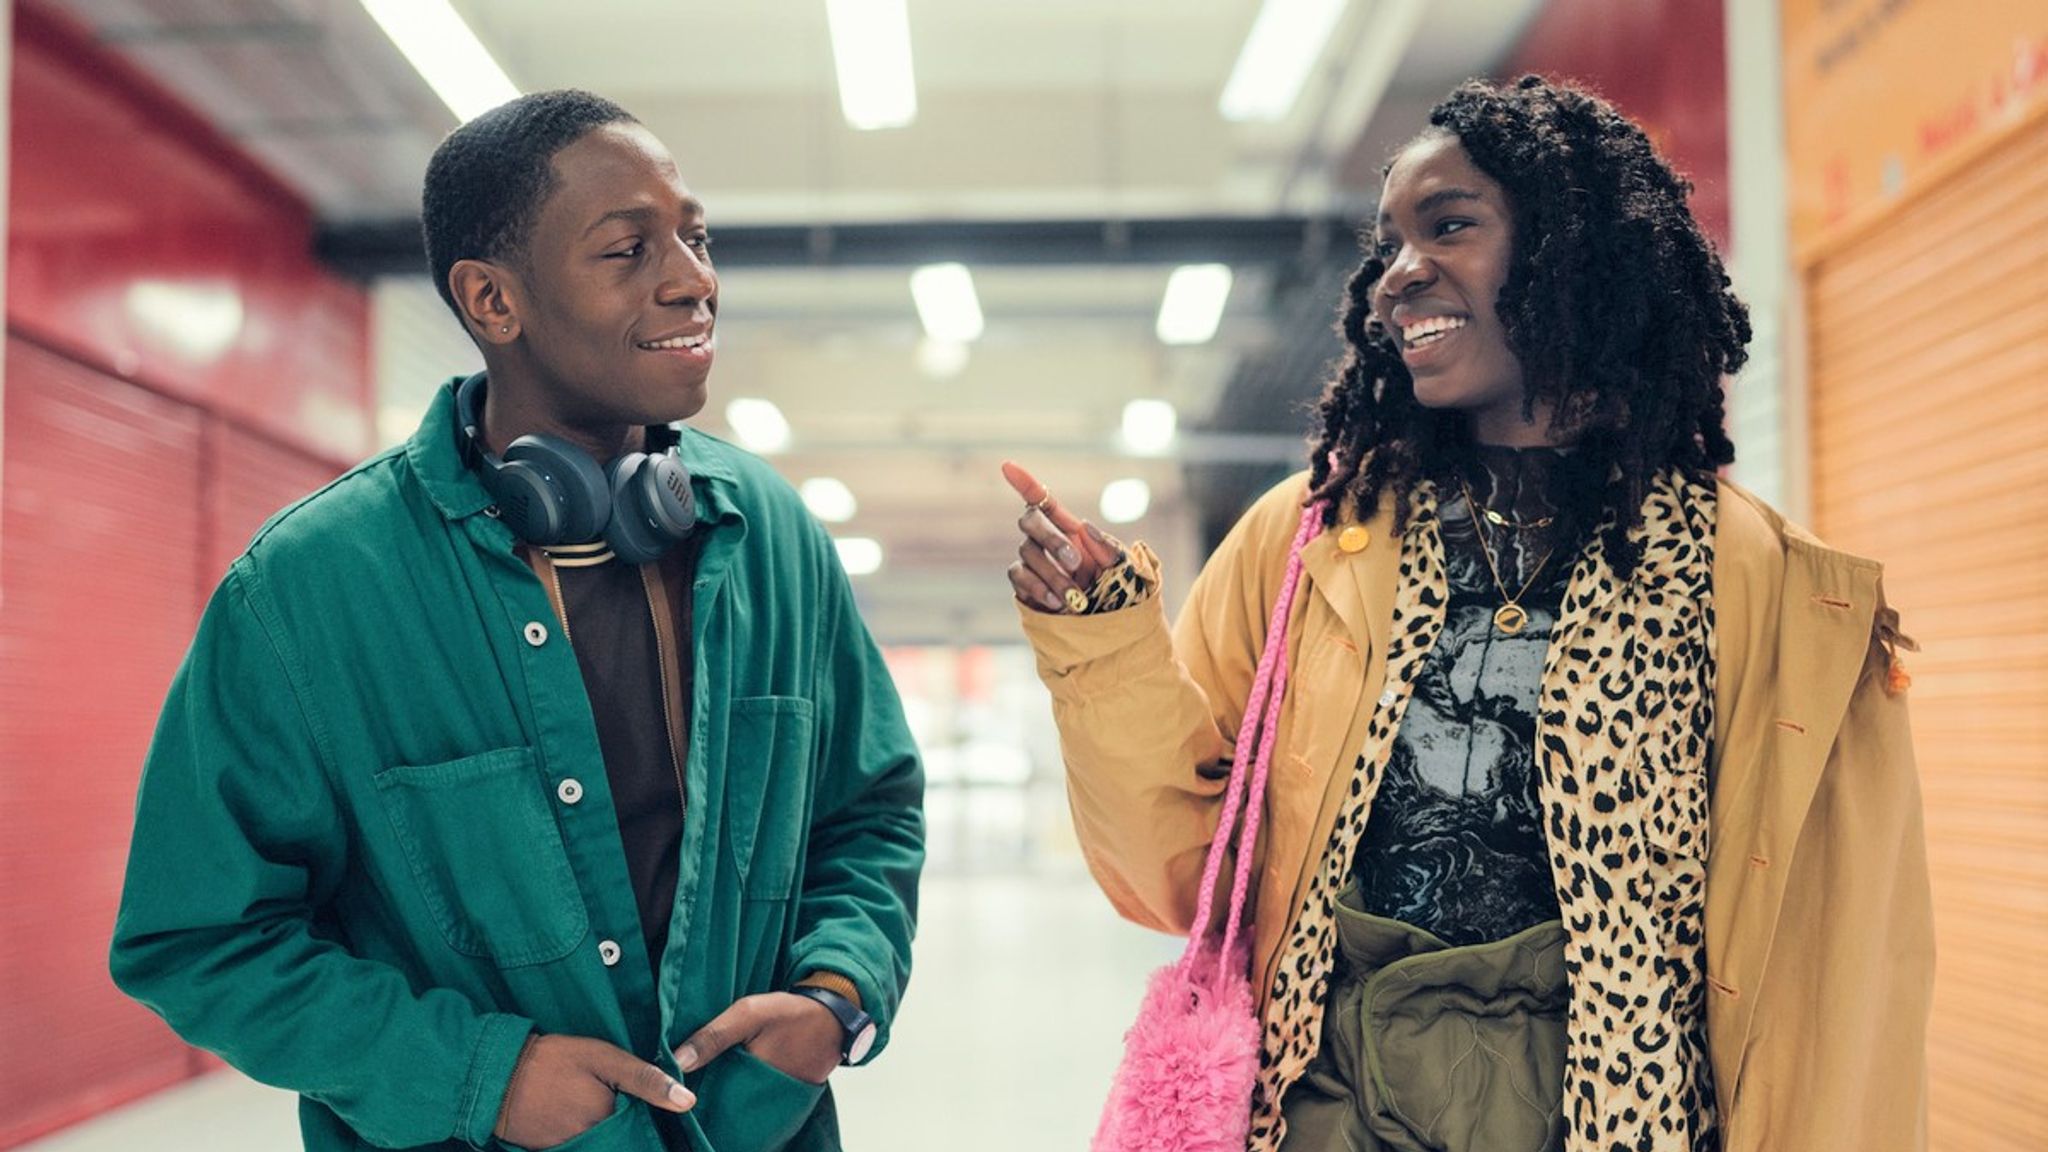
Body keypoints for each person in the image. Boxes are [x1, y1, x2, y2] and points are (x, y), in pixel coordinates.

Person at [1005, 75, 1931, 1152]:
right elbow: (1175, 874)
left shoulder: (1759, 583)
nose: (1399, 278)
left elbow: (1846, 972)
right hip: (1331, 1109)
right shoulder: (1305, 539)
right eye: (1389, 243)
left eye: (1448, 227)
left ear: (1573, 251)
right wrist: (1102, 644)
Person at [110, 90, 924, 1152]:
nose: (694, 278)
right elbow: (200, 936)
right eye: (628, 249)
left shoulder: (766, 534)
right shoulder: (310, 590)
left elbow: (869, 809)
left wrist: (836, 995)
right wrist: (478, 1078)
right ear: (494, 301)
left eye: (694, 235)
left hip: (756, 1130)